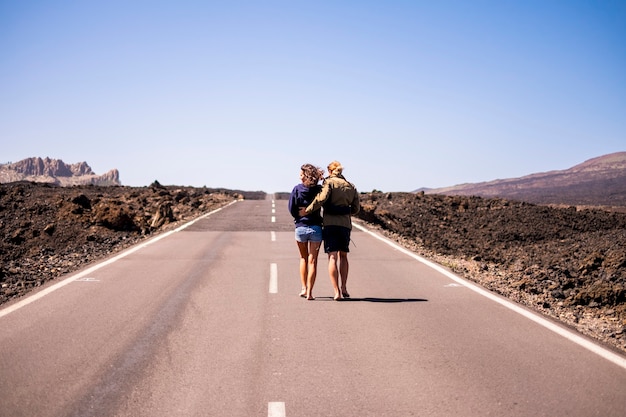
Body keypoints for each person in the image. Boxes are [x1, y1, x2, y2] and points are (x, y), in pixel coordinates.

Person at [299, 161, 360, 301]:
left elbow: (321, 199)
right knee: (344, 256)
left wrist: (307, 210)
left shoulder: (329, 183)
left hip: (330, 224)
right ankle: (344, 287)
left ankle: (337, 291)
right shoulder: (351, 186)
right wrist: (344, 212)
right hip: (345, 225)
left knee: (333, 257)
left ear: (330, 170)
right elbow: (356, 209)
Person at [288, 163, 324, 300]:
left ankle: (303, 288)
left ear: (304, 175)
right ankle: (310, 292)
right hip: (316, 227)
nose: (299, 175)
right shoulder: (319, 189)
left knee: (303, 258)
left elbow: (291, 208)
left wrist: (298, 216)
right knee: (313, 261)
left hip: (301, 228)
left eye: (300, 173)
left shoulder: (297, 189)